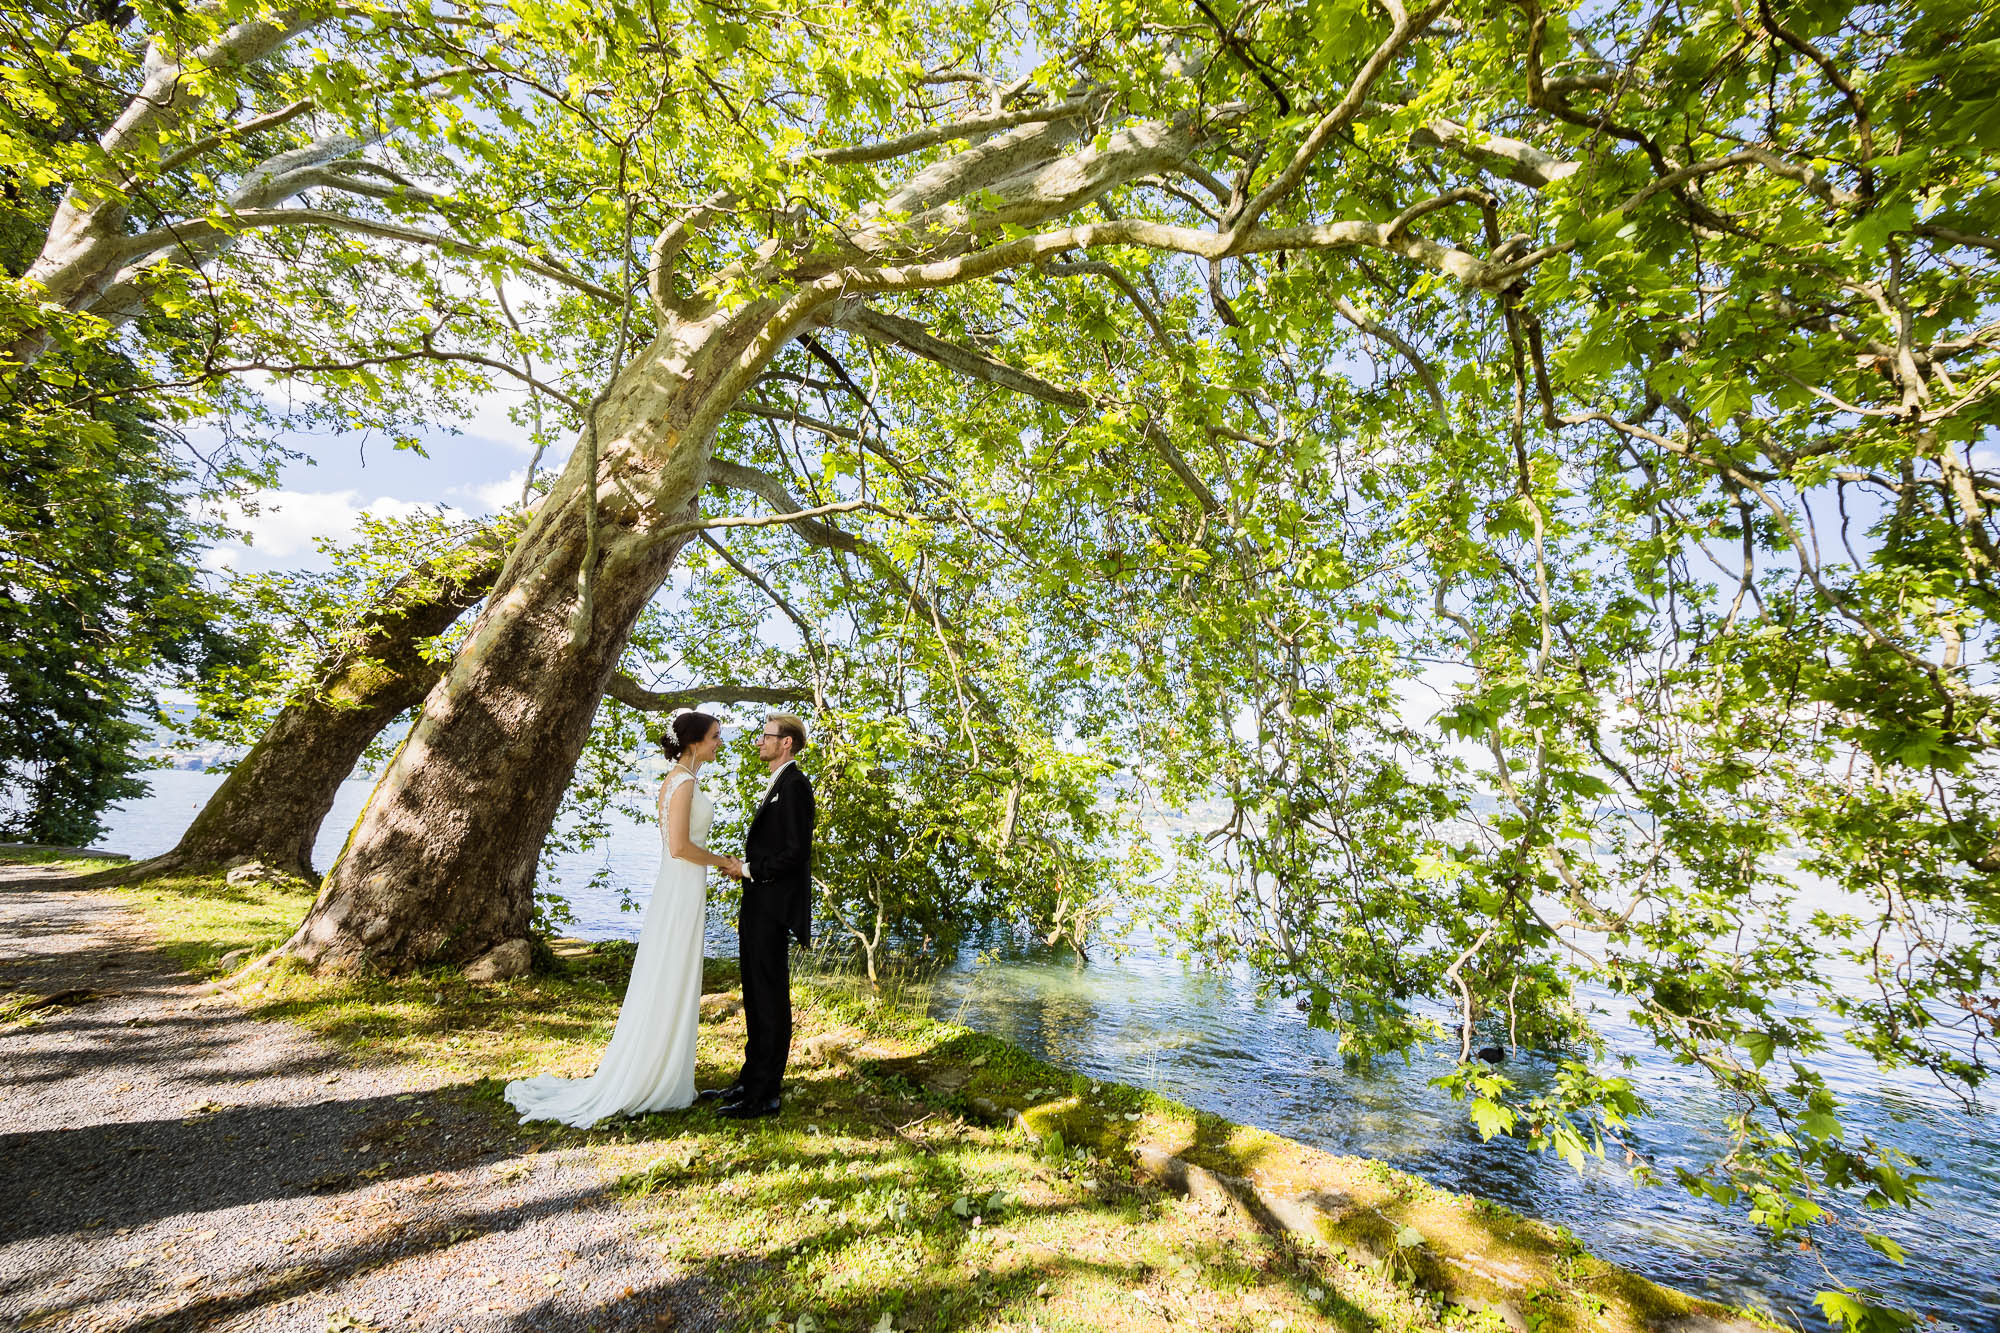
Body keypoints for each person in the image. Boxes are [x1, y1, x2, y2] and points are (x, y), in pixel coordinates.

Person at [502, 712, 741, 1127]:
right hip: (681, 886)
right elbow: (680, 847)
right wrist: (724, 861)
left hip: (681, 886)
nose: (720, 743)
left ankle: (666, 1068)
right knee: (671, 971)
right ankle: (655, 1075)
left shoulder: (679, 779)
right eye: (715, 737)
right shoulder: (683, 782)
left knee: (673, 971)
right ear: (694, 742)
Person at [701, 713, 815, 1119]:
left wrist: (747, 869)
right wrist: (746, 870)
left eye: (766, 736)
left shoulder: (796, 786)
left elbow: (796, 853)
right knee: (754, 993)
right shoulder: (779, 782)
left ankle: (765, 1095)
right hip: (758, 903)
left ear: (786, 743)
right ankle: (749, 1080)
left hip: (773, 906)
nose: (758, 742)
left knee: (769, 998)